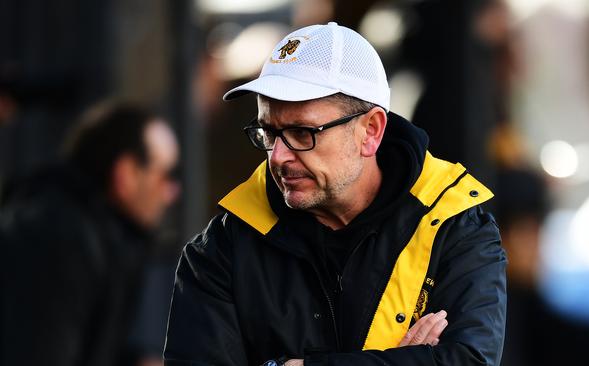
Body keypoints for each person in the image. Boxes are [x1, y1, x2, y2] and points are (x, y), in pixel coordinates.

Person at [164, 22, 506, 366]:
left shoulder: (455, 226)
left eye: (301, 133)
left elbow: (469, 361)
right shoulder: (221, 250)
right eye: (268, 132)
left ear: (370, 131)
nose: (278, 156)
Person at [0, 101, 180, 366]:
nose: (172, 192)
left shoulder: (98, 235)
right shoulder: (59, 239)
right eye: (165, 175)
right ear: (126, 174)